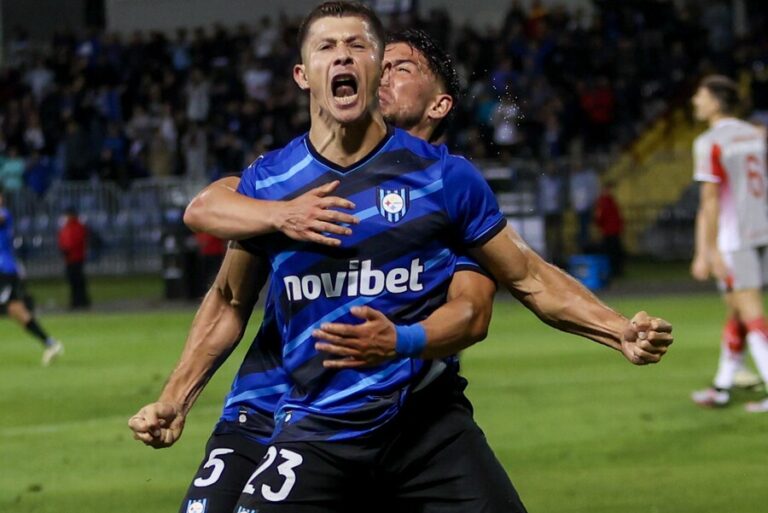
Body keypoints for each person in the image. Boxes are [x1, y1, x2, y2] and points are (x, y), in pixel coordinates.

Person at [130, 4, 672, 513]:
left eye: (362, 49)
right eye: (326, 48)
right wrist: (176, 398)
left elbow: (516, 285)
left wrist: (617, 329)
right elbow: (222, 271)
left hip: (422, 420)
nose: (347, 59)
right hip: (303, 415)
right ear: (302, 75)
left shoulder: (447, 179)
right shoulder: (270, 181)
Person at [133, 27, 497, 513]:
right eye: (382, 64)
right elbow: (219, 259)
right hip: (268, 402)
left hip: (391, 418)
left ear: (439, 105)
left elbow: (501, 294)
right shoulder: (296, 178)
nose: (383, 75)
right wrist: (279, 215)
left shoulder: (449, 189)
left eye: (400, 68)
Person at [689, 75, 768, 412]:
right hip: (761, 230)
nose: (695, 101)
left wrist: (708, 251)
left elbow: (710, 201)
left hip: (735, 238)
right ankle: (722, 386)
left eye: (700, 95)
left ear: (716, 102)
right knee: (737, 310)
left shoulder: (710, 142)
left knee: (750, 312)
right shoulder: (755, 134)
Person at [0, 188, 63, 365]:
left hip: (4, 270)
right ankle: (50, 343)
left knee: (15, 309)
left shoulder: (4, 214)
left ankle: (50, 343)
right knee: (15, 310)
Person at [58, 207, 91, 309]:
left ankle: (80, 300)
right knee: (73, 280)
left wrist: (67, 248)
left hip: (76, 257)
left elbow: (76, 241)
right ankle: (77, 300)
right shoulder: (68, 227)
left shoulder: (77, 227)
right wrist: (63, 248)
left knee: (77, 280)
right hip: (70, 257)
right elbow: (63, 239)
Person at [594, 180, 624, 278]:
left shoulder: (609, 200)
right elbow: (599, 217)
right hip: (608, 231)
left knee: (615, 251)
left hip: (613, 230)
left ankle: (616, 270)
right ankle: (612, 270)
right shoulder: (603, 201)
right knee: (611, 252)